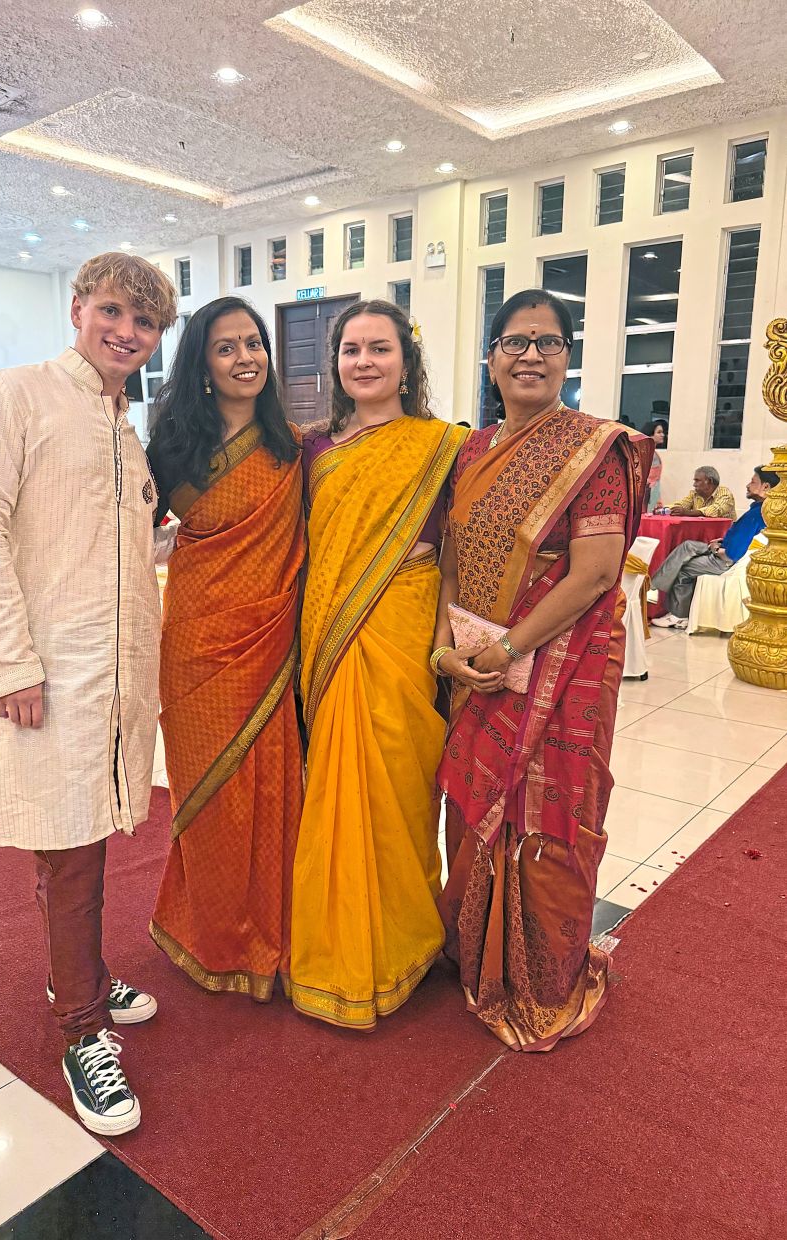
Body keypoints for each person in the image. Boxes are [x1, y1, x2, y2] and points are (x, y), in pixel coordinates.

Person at [0, 253, 176, 1135]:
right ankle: (81, 1029)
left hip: (113, 674)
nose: (126, 332)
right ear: (78, 307)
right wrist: (10, 665)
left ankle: (78, 973)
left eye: (145, 322)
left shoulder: (121, 424)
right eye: (113, 311)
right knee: (71, 846)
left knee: (86, 832)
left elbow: (115, 548)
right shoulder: (19, 394)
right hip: (50, 672)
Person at [433, 288, 652, 1052]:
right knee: (473, 806)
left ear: (566, 358)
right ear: (491, 358)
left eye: (548, 342)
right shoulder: (470, 451)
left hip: (562, 663)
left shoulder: (597, 448)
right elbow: (451, 559)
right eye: (515, 342)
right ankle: (472, 951)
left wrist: (508, 650)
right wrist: (447, 649)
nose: (531, 354)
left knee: (546, 817)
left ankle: (538, 979)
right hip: (475, 664)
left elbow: (594, 574)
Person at [290, 300, 469, 1030]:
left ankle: (405, 941)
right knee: (334, 786)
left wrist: (451, 640)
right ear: (335, 362)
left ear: (406, 360)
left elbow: (457, 555)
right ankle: (337, 950)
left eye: (379, 349)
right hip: (330, 631)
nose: (363, 362)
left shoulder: (446, 446)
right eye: (351, 350)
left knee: (398, 782)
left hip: (404, 627)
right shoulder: (313, 449)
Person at [146, 297, 305, 998]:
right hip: (194, 646)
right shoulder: (171, 448)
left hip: (270, 642)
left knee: (273, 793)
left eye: (253, 343)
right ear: (202, 366)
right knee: (209, 799)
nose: (246, 358)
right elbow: (123, 532)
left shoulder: (295, 448)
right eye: (226, 347)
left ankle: (277, 936)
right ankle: (213, 934)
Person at [651, 468, 778, 628]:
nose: (747, 485)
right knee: (687, 546)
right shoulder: (761, 509)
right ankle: (654, 587)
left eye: (753, 482)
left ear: (765, 487)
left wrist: (716, 549)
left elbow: (733, 553)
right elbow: (745, 539)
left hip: (725, 559)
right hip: (723, 546)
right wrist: (721, 542)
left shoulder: (755, 513)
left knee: (685, 568)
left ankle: (679, 615)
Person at [667, 466, 736, 519]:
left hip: (725, 532)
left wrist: (688, 512)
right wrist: (666, 509)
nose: (694, 484)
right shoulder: (694, 494)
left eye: (697, 480)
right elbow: (682, 505)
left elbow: (716, 510)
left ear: (710, 481)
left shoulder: (725, 493)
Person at [643, 418, 667, 512]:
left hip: (654, 489)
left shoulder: (653, 452)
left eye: (662, 432)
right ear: (650, 434)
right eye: (659, 432)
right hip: (648, 491)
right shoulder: (647, 452)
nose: (662, 435)